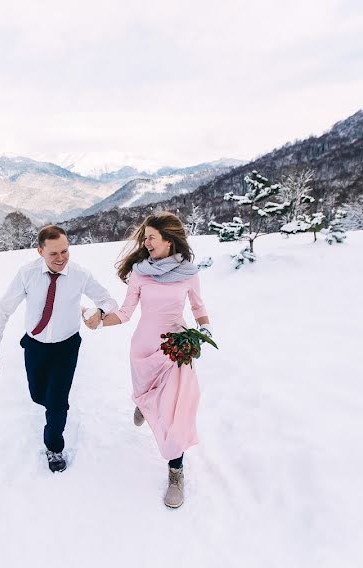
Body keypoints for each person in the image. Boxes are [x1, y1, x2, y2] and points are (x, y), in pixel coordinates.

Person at [85, 212, 212, 508]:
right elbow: (127, 312)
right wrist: (101, 320)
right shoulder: (141, 273)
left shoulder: (189, 272)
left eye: (151, 237)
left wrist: (203, 329)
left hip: (176, 350)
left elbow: (198, 305)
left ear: (169, 240)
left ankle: (176, 472)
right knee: (151, 398)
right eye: (145, 237)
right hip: (144, 348)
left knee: (174, 413)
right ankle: (144, 402)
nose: (146, 242)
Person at [0, 225, 118, 473]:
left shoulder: (80, 274)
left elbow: (109, 301)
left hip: (66, 347)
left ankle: (54, 445)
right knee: (38, 396)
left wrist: (99, 312)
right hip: (35, 346)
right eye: (53, 253)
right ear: (40, 251)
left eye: (65, 251)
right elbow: (4, 309)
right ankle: (55, 408)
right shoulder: (27, 274)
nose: (61, 258)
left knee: (57, 401)